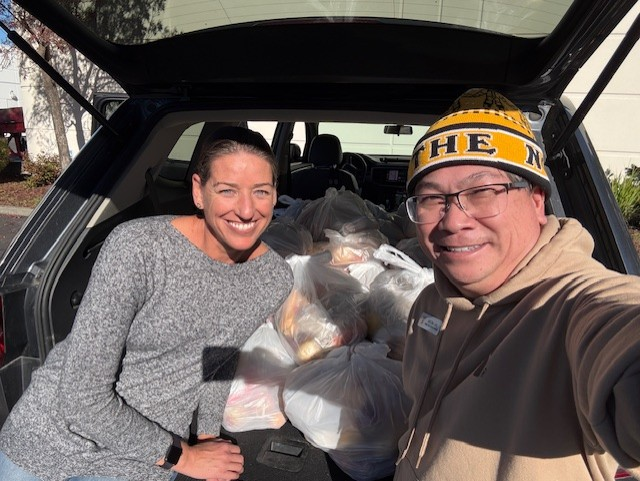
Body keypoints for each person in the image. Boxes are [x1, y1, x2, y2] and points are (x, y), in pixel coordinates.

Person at [0, 126, 294, 481]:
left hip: (140, 465)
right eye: (227, 190)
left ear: (275, 195)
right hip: (49, 445)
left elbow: (221, 351)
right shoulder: (139, 249)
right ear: (199, 192)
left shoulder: (273, 278)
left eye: (260, 191)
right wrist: (186, 457)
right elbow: (80, 399)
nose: (247, 210)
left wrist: (207, 432)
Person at [394, 88, 640, 480]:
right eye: (431, 199)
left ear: (537, 199)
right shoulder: (429, 304)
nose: (454, 221)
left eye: (482, 192)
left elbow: (620, 332)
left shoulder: (574, 306)